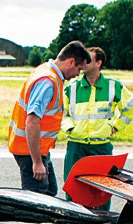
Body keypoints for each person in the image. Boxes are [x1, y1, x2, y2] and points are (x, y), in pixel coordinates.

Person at [8, 41, 91, 196]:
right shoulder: (47, 81)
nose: (78, 74)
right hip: (29, 150)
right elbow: (32, 122)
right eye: (79, 69)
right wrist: (37, 162)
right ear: (71, 62)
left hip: (38, 148)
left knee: (50, 190)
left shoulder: (48, 73)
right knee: (36, 197)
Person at [62, 47, 133, 211]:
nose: (83, 63)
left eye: (89, 60)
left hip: (101, 146)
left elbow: (130, 107)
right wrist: (69, 128)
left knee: (101, 192)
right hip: (76, 146)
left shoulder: (113, 86)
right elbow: (62, 111)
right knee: (73, 189)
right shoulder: (72, 86)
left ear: (99, 63)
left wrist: (116, 126)